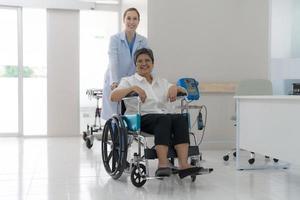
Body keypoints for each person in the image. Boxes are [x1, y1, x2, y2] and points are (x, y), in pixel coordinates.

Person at [110, 48, 201, 178]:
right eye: (140, 61)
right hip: (140, 118)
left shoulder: (161, 82)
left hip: (162, 117)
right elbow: (113, 96)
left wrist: (175, 88)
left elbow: (180, 90)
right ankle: (163, 164)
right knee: (163, 119)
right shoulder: (128, 81)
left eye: (147, 60)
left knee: (180, 119)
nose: (144, 63)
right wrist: (132, 88)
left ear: (152, 63)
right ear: (135, 65)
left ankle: (183, 165)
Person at [101, 7, 148, 120]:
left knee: (129, 115)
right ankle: (114, 135)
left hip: (131, 83)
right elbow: (113, 61)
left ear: (138, 21)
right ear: (124, 20)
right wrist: (114, 81)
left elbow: (147, 62)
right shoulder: (115, 39)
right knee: (114, 117)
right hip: (115, 81)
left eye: (135, 19)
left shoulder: (143, 41)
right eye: (129, 18)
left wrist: (149, 79)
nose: (131, 22)